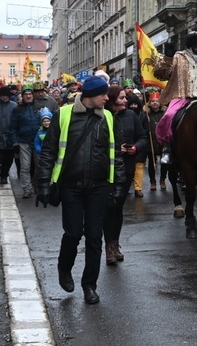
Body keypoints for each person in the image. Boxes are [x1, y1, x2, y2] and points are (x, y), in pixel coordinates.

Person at [34, 76, 127, 304]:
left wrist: (118, 188)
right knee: (73, 233)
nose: (107, 98)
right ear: (89, 96)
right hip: (71, 187)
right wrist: (43, 184)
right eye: (103, 94)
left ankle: (89, 286)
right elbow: (48, 153)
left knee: (95, 237)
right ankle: (64, 268)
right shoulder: (63, 115)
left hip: (99, 187)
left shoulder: (108, 118)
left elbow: (116, 156)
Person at [153, 27, 197, 165]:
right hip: (180, 97)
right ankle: (167, 147)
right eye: (195, 42)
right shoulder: (179, 57)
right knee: (169, 115)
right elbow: (160, 73)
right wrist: (167, 58)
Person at [103, 86, 146, 264]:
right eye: (121, 98)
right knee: (109, 207)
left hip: (126, 168)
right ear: (113, 100)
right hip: (107, 169)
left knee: (118, 207)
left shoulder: (131, 116)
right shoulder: (103, 117)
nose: (125, 101)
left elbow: (143, 137)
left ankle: (115, 244)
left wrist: (135, 147)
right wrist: (113, 149)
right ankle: (108, 248)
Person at [10, 85, 40, 198]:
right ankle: (27, 189)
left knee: (39, 166)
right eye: (26, 94)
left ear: (33, 96)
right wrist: (15, 142)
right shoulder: (17, 110)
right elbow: (12, 128)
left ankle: (37, 186)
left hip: (38, 141)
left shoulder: (39, 107)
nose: (28, 96)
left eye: (30, 94)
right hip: (23, 141)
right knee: (25, 167)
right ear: (22, 96)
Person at [143, 91, 167, 191]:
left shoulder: (165, 113)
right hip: (151, 142)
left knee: (164, 162)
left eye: (157, 101)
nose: (155, 103)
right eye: (152, 101)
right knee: (152, 163)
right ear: (149, 103)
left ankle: (162, 180)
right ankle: (152, 181)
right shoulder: (146, 114)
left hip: (163, 142)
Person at [127, 94, 148, 197]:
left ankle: (138, 188)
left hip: (140, 145)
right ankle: (126, 187)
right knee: (128, 168)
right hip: (127, 144)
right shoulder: (125, 115)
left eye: (135, 104)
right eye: (131, 104)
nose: (133, 106)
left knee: (139, 166)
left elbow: (146, 130)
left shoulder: (143, 116)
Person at [0, 86, 17, 184]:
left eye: (6, 96)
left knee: (9, 158)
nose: (5, 98)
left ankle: (4, 175)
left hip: (10, 135)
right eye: (3, 96)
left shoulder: (14, 105)